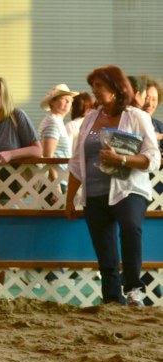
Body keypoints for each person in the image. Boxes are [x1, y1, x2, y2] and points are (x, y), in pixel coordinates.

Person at [65, 65, 160, 306]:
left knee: (130, 228)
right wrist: (70, 199)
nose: (94, 91)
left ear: (115, 88)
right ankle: (111, 299)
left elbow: (153, 158)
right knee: (104, 248)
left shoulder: (136, 116)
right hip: (94, 193)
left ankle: (134, 290)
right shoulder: (90, 119)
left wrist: (122, 159)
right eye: (92, 87)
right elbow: (77, 161)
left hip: (128, 189)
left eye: (99, 86)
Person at [38, 84, 78, 194]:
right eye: (63, 98)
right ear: (52, 102)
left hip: (59, 180)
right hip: (53, 182)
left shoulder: (58, 122)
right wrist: (55, 186)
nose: (68, 101)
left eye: (69, 99)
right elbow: (48, 156)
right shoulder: (52, 122)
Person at [141, 75, 163, 145]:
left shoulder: (160, 127)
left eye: (154, 99)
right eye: (146, 98)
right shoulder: (129, 122)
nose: (150, 104)